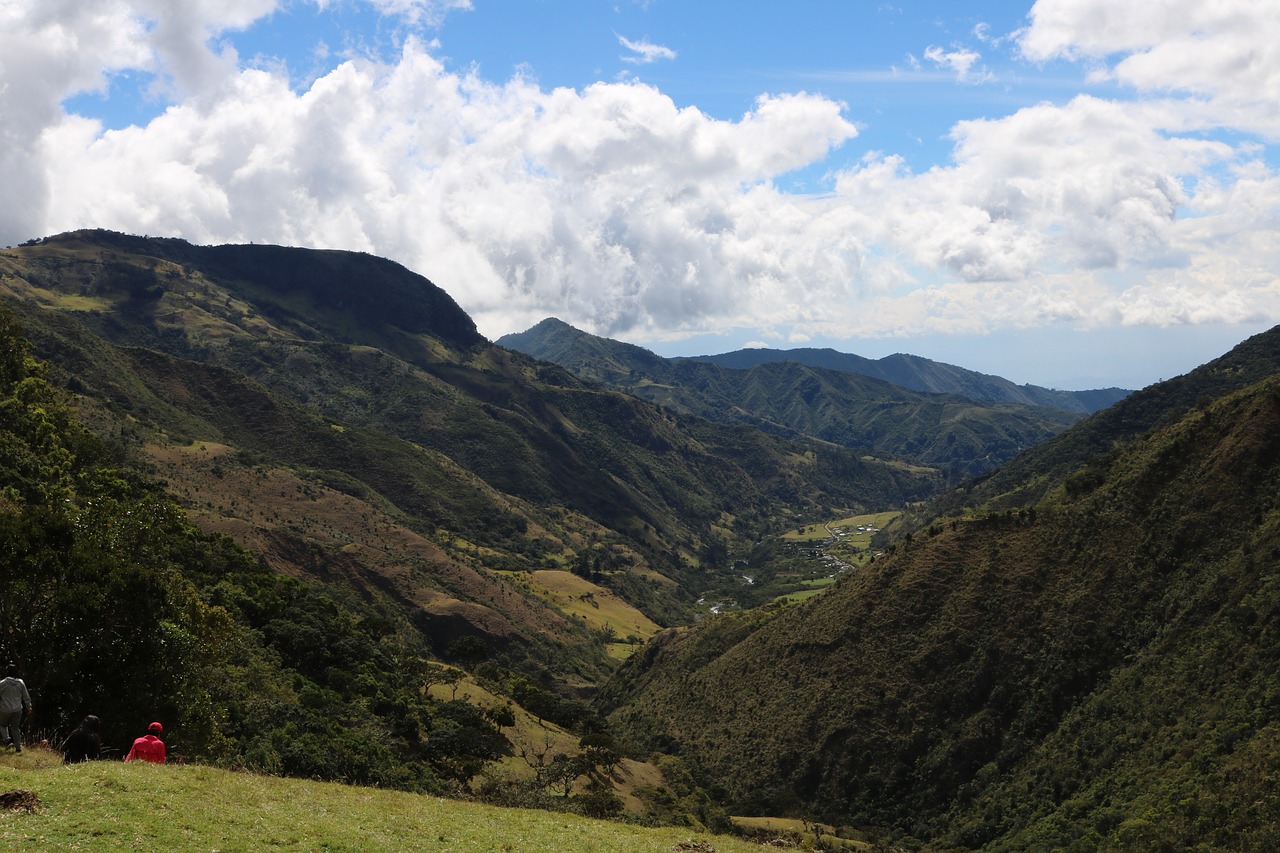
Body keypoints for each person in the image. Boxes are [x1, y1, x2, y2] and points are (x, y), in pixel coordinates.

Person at [0, 663, 32, 752]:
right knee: (15, 728)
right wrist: (28, 706)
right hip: (17, 709)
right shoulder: (20, 682)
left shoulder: (2, 683)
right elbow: (26, 695)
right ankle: (18, 747)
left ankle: (7, 740)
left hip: (4, 709)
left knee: (2, 724)